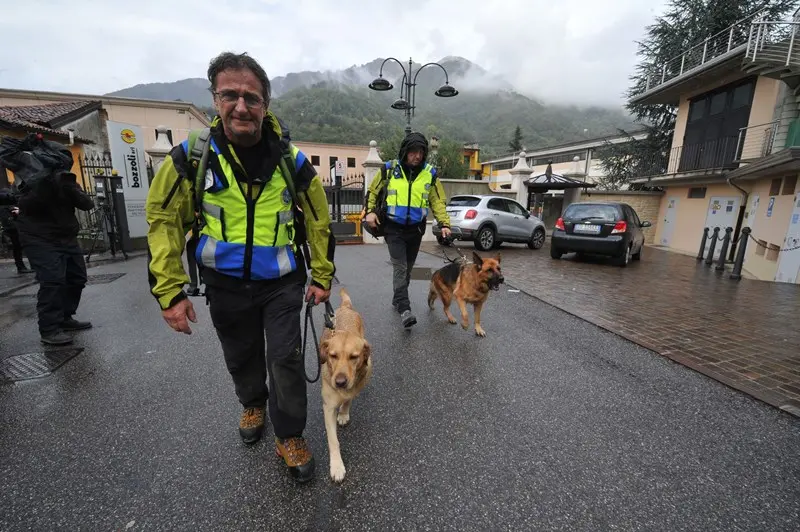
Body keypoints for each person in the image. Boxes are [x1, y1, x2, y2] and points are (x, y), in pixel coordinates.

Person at [145, 52, 336, 484]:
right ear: (215, 99)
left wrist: (321, 275)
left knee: (285, 359)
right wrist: (169, 291)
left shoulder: (293, 161)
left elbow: (319, 220)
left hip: (282, 283)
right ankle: (252, 402)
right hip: (224, 283)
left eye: (251, 97)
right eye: (229, 95)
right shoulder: (192, 158)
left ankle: (289, 433)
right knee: (241, 354)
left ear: (265, 105)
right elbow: (162, 221)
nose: (241, 105)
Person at [364, 132, 451, 328]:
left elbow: (437, 201)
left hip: (415, 230)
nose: (417, 156)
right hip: (393, 228)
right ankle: (405, 308)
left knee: (408, 269)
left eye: (421, 152)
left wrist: (444, 224)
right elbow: (372, 192)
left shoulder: (430, 173)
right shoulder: (389, 169)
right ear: (405, 151)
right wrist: (370, 212)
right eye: (413, 152)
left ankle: (398, 297)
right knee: (400, 267)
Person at [13, 171, 95, 346]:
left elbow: (87, 204)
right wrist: (44, 186)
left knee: (77, 277)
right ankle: (49, 329)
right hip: (39, 238)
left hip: (66, 237)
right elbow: (26, 205)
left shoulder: (67, 182)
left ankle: (65, 317)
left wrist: (69, 187)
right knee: (52, 280)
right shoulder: (31, 181)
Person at [1, 201, 34, 274]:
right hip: (14, 230)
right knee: (18, 248)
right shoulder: (6, 206)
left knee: (19, 249)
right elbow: (8, 220)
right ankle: (21, 267)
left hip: (14, 229)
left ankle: (22, 267)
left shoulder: (7, 206)